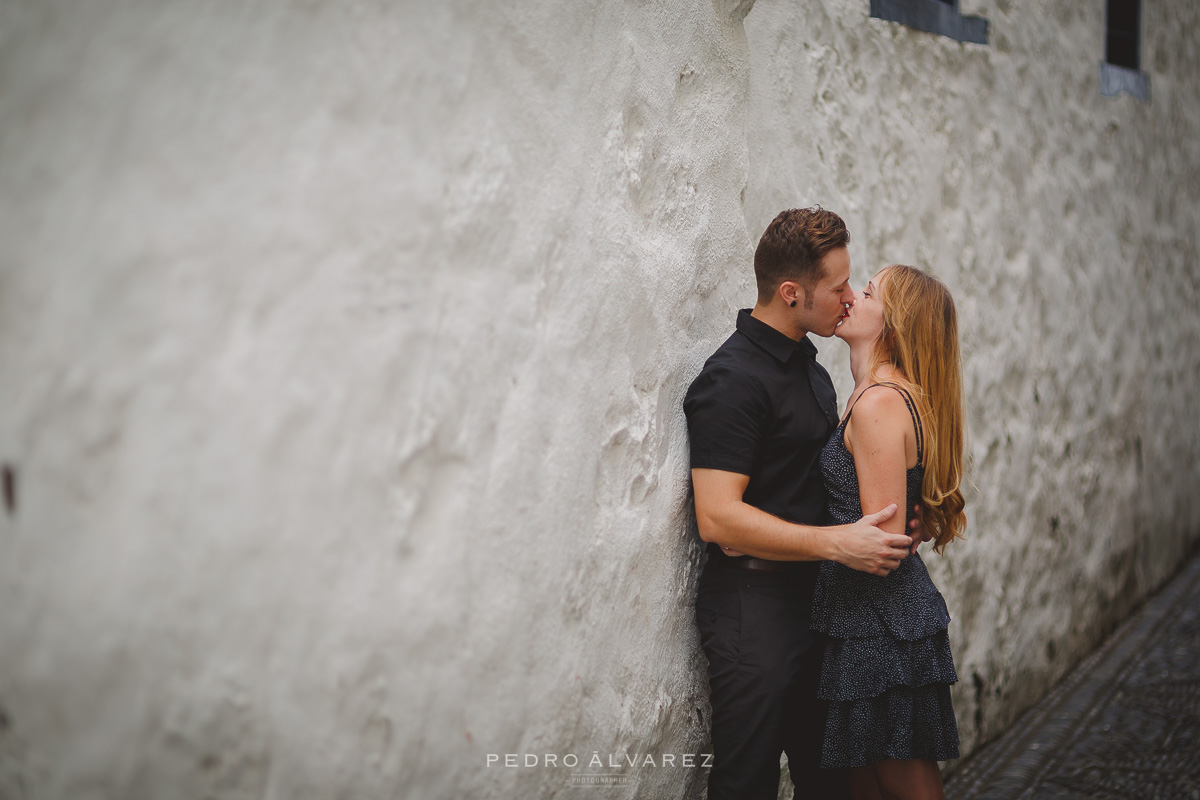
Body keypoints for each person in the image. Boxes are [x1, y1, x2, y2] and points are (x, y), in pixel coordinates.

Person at [683, 208, 924, 800]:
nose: (849, 296)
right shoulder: (731, 379)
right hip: (752, 612)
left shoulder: (812, 370)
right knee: (748, 785)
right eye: (838, 287)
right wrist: (836, 544)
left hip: (819, 610)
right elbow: (716, 517)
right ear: (791, 294)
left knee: (836, 784)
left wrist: (900, 519)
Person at [810, 264, 966, 800]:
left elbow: (882, 543)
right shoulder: (881, 395)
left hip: (881, 627)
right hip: (868, 620)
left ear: (893, 325)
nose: (851, 295)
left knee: (904, 785)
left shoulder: (878, 404)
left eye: (868, 292)